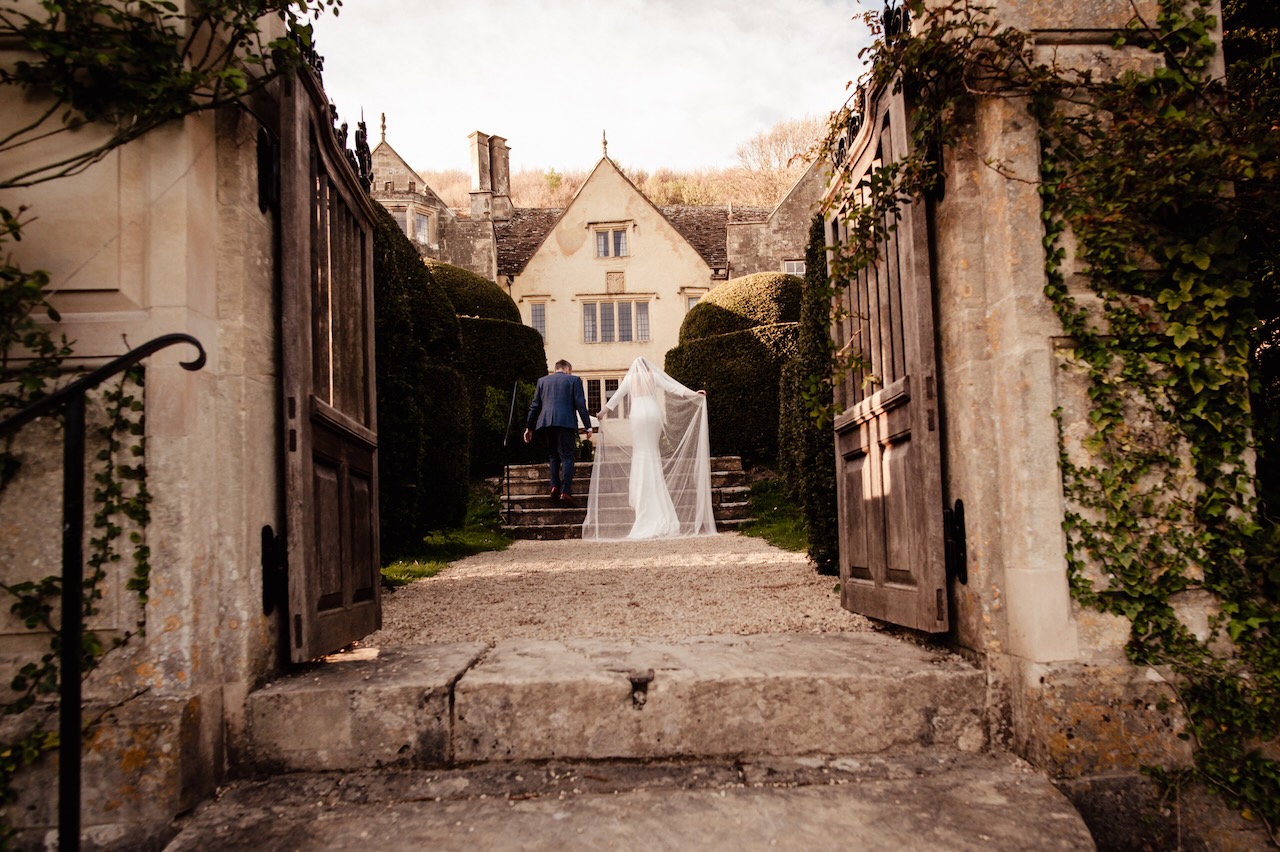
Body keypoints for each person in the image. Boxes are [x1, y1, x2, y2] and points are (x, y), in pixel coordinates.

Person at [582, 356, 716, 540]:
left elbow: (616, 397)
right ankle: (658, 506)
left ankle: (644, 501)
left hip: (638, 416)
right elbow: (674, 387)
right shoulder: (653, 376)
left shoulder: (630, 379)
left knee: (641, 453)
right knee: (651, 453)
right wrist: (694, 394)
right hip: (653, 415)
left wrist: (602, 413)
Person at [524, 359, 594, 506]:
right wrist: (588, 426)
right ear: (567, 369)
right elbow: (580, 404)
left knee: (553, 455)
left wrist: (529, 427)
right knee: (568, 457)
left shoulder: (542, 381)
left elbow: (535, 406)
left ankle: (554, 486)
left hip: (546, 423)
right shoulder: (574, 380)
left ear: (555, 369)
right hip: (566, 422)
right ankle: (565, 491)